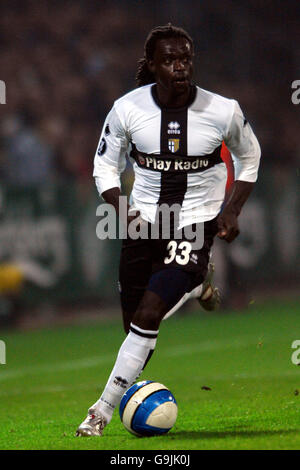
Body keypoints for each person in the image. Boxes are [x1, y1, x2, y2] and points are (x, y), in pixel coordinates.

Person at [76, 24, 260, 436]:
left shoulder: (222, 110)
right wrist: (121, 208)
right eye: (171, 60)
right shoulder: (127, 109)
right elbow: (104, 164)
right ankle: (197, 286)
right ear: (153, 64)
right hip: (143, 223)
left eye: (186, 59)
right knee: (135, 334)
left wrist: (232, 209)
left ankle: (99, 412)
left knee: (148, 315)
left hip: (195, 223)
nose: (180, 67)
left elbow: (251, 156)